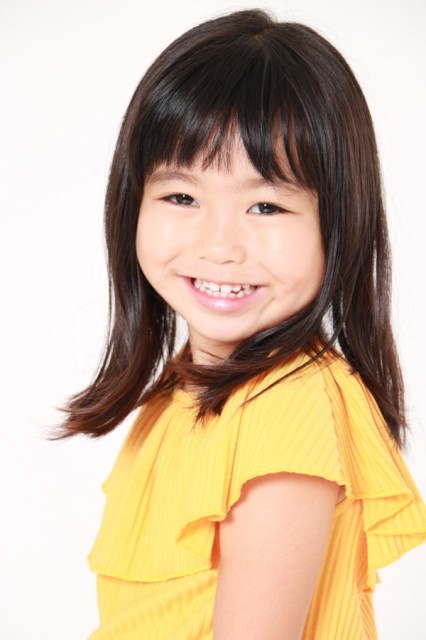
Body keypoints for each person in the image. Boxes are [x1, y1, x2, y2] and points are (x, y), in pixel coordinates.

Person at [60, 8, 426, 639]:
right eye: (182, 197)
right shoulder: (184, 389)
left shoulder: (288, 406)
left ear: (339, 223)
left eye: (266, 205)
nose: (219, 246)